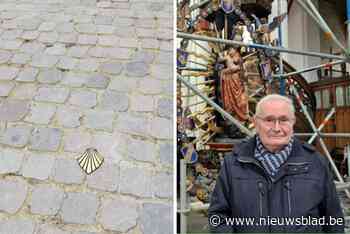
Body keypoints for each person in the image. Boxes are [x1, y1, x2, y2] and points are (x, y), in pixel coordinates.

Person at [208, 94, 344, 233]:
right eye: (269, 120)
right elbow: (218, 217)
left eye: (283, 120)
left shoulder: (316, 163)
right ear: (255, 122)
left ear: (293, 122)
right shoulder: (234, 164)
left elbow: (334, 220)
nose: (277, 128)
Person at [219, 47, 249, 122]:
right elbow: (221, 61)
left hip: (237, 80)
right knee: (231, 98)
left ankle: (242, 113)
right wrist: (221, 55)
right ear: (229, 51)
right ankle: (233, 112)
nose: (234, 52)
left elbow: (239, 65)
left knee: (240, 98)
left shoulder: (234, 58)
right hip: (231, 79)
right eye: (232, 50)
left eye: (234, 50)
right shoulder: (227, 57)